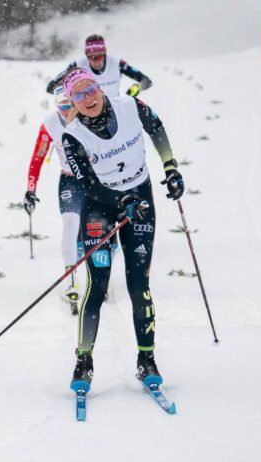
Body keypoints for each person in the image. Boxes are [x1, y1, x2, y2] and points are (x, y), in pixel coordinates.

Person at [59, 68, 184, 393]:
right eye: (79, 95)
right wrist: (122, 199)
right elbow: (87, 184)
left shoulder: (131, 107)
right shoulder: (72, 136)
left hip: (139, 201)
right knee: (97, 286)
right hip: (100, 208)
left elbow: (156, 127)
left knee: (138, 282)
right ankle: (83, 361)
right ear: (71, 101)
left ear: (99, 88)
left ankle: (147, 360)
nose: (88, 99)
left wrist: (170, 167)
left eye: (90, 90)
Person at [23, 86, 83, 313]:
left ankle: (100, 275)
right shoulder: (50, 123)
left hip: (94, 180)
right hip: (69, 180)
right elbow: (37, 158)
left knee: (96, 227)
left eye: (71, 105)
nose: (68, 112)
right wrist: (30, 190)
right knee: (70, 223)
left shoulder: (88, 113)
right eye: (63, 107)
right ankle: (70, 276)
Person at [46, 34, 153, 98]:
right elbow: (51, 87)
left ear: (105, 53)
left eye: (100, 56)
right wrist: (74, 92)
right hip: (89, 110)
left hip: (114, 108)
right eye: (91, 57)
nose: (96, 61)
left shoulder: (117, 63)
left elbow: (146, 81)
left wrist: (136, 88)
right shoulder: (77, 65)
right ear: (86, 55)